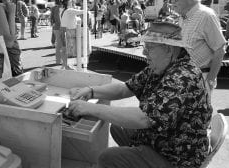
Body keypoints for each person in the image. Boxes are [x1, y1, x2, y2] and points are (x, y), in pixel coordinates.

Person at [68, 22, 212, 168]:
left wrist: (90, 109)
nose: (144, 53)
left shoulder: (182, 77)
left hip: (177, 158)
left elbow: (144, 118)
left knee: (108, 158)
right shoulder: (161, 66)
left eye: (149, 48)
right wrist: (91, 91)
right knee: (118, 128)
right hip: (167, 141)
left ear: (168, 49)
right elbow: (125, 88)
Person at [173, 0, 226, 95]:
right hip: (184, 78)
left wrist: (210, 81)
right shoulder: (183, 17)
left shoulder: (206, 15)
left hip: (201, 78)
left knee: (198, 113)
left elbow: (220, 50)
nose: (173, 1)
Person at [60, 0, 83, 70]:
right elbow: (82, 12)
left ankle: (66, 65)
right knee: (69, 48)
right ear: (68, 2)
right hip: (69, 30)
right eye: (71, 1)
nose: (73, 2)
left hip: (65, 30)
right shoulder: (69, 10)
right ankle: (67, 66)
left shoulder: (64, 10)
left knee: (66, 48)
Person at [50, 0, 64, 65]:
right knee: (60, 45)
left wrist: (52, 23)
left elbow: (51, 17)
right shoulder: (58, 8)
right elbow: (58, 19)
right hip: (59, 27)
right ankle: (59, 60)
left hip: (55, 27)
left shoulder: (53, 8)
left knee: (58, 44)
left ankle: (58, 60)